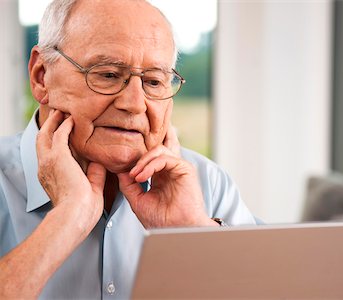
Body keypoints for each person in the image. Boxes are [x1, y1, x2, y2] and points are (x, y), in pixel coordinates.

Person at [0, 0, 257, 298]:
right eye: (108, 74)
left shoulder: (208, 184)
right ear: (41, 76)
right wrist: (66, 220)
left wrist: (195, 234)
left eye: (154, 81)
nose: (134, 103)